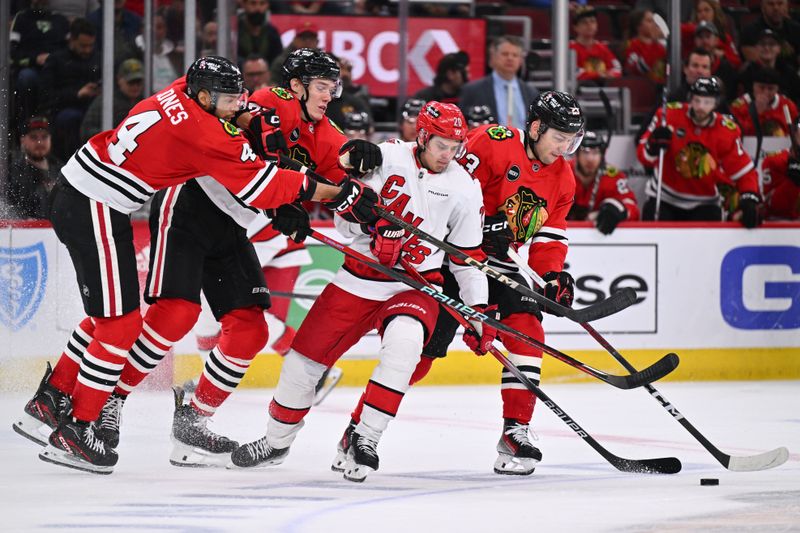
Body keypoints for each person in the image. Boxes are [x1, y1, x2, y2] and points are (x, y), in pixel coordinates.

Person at [12, 55, 381, 474]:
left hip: (222, 221)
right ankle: (94, 410)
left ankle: (187, 421)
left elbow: (324, 163)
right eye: (322, 85)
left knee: (248, 328)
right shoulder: (258, 105)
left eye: (335, 87)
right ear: (295, 85)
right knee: (161, 316)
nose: (330, 94)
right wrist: (315, 195)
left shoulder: (230, 106)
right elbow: (259, 175)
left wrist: (363, 163)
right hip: (183, 209)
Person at [230, 102, 489, 484]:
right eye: (441, 145)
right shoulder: (384, 158)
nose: (448, 155)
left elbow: (467, 259)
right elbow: (344, 221)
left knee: (404, 349)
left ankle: (364, 439)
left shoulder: (464, 187)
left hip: (415, 286)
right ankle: (276, 440)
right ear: (421, 136)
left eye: (455, 146)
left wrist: (477, 310)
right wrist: (369, 228)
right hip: (356, 279)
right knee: (302, 365)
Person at [336, 92, 582, 477]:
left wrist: (550, 276)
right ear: (535, 128)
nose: (565, 147)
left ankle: (515, 431)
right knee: (419, 359)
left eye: (572, 140)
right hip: (452, 261)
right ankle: (358, 428)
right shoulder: (493, 143)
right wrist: (486, 227)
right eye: (559, 138)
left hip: (499, 266)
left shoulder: (563, 175)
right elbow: (447, 192)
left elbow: (550, 234)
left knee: (528, 327)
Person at [637, 77, 761, 227]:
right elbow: (644, 157)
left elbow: (744, 172)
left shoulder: (726, 130)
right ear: (690, 99)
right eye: (697, 100)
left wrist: (749, 197)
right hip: (663, 197)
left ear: (716, 103)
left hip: (705, 203)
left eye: (707, 102)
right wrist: (653, 144)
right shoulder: (667, 115)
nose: (701, 107)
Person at [38, 17, 100, 160]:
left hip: (92, 107)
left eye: (90, 45)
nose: (87, 50)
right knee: (73, 118)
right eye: (83, 46)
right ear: (71, 39)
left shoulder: (97, 58)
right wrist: (77, 94)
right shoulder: (56, 60)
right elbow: (46, 95)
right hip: (63, 110)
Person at [10, 0, 70, 128]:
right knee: (27, 78)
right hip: (31, 69)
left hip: (55, 70)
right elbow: (13, 53)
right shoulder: (22, 18)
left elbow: (69, 50)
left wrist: (54, 59)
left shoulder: (60, 20)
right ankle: (26, 126)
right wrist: (35, 59)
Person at [459, 35, 538, 131]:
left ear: (521, 60)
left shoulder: (531, 93)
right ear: (493, 57)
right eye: (505, 54)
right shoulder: (472, 90)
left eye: (515, 55)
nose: (510, 58)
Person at [567, 131, 640, 234]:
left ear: (602, 155)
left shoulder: (613, 177)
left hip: (599, 237)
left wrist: (620, 210)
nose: (590, 158)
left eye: (595, 152)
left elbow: (634, 210)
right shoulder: (562, 171)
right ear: (577, 153)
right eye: (585, 151)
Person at [6, 117, 63, 219]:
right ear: (22, 141)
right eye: (33, 137)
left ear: (50, 139)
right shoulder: (14, 173)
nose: (39, 142)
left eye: (44, 137)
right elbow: (11, 209)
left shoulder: (62, 170)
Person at [80, 58, 144, 141]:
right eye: (131, 82)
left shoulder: (144, 101)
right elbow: (86, 131)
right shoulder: (106, 101)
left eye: (138, 82)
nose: (135, 87)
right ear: (119, 80)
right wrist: (116, 135)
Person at [730, 67, 798, 137]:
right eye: (761, 87)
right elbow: (736, 133)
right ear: (753, 86)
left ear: (777, 88)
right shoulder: (738, 106)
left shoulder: (787, 105)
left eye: (770, 88)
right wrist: (756, 113)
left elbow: (795, 133)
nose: (766, 92)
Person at [739, 0, 800, 70]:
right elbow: (758, 66)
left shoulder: (796, 29)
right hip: (764, 78)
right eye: (770, 4)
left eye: (780, 3)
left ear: (786, 6)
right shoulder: (750, 32)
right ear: (762, 7)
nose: (776, 8)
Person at [570, 6, 622, 85]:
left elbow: (617, 68)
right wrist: (599, 75)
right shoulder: (570, 48)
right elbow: (573, 72)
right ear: (575, 27)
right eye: (584, 22)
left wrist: (610, 75)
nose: (589, 25)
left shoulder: (602, 47)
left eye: (592, 21)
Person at [761, 115, 800, 220]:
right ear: (795, 133)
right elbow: (774, 208)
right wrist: (792, 183)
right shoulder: (774, 161)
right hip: (784, 227)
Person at [691, 21, 738, 104]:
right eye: (700, 37)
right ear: (695, 41)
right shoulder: (689, 65)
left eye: (708, 36)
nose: (704, 41)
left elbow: (731, 98)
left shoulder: (726, 68)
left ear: (716, 40)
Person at [623, 9, 666, 85]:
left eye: (654, 21)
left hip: (662, 88)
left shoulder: (661, 46)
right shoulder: (631, 45)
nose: (654, 24)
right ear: (638, 26)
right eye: (649, 21)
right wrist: (654, 43)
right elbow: (641, 69)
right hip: (642, 88)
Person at [237, 0, 283, 67]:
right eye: (253, 3)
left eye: (262, 3)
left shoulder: (272, 32)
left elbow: (277, 60)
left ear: (268, 5)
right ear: (244, 5)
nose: (258, 8)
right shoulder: (235, 31)